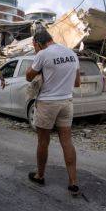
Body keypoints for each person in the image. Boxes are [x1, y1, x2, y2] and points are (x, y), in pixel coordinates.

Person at [26, 30, 81, 196]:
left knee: (43, 141)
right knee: (67, 141)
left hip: (48, 103)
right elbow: (77, 82)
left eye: (34, 46)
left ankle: (40, 175)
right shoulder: (71, 53)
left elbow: (29, 76)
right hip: (67, 102)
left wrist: (36, 62)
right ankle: (73, 182)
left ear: (37, 43)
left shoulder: (42, 54)